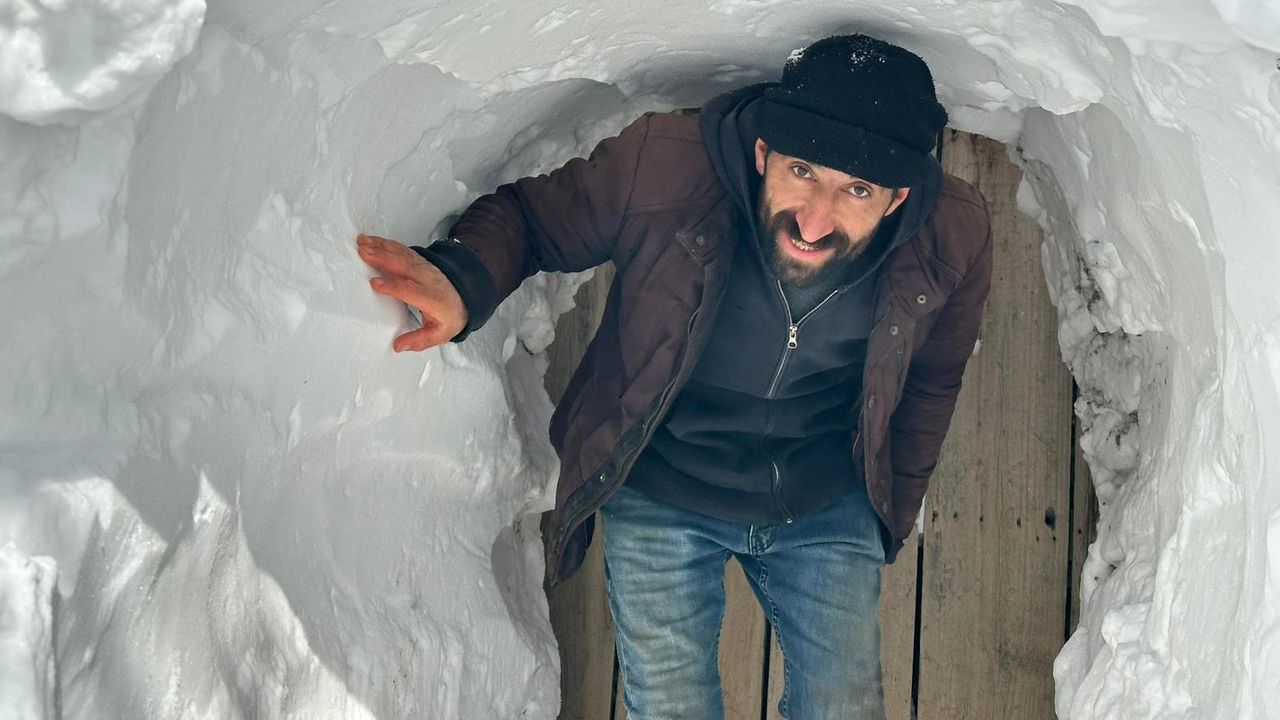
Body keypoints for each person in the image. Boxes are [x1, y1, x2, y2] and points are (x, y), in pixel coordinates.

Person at [357, 33, 992, 720]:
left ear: (896, 199)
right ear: (763, 153)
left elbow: (933, 381)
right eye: (802, 171)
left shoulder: (952, 235)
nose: (814, 220)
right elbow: (535, 218)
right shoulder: (665, 167)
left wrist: (888, 513)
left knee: (845, 708)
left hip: (822, 497)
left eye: (856, 191)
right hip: (661, 485)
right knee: (671, 708)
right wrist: (464, 280)